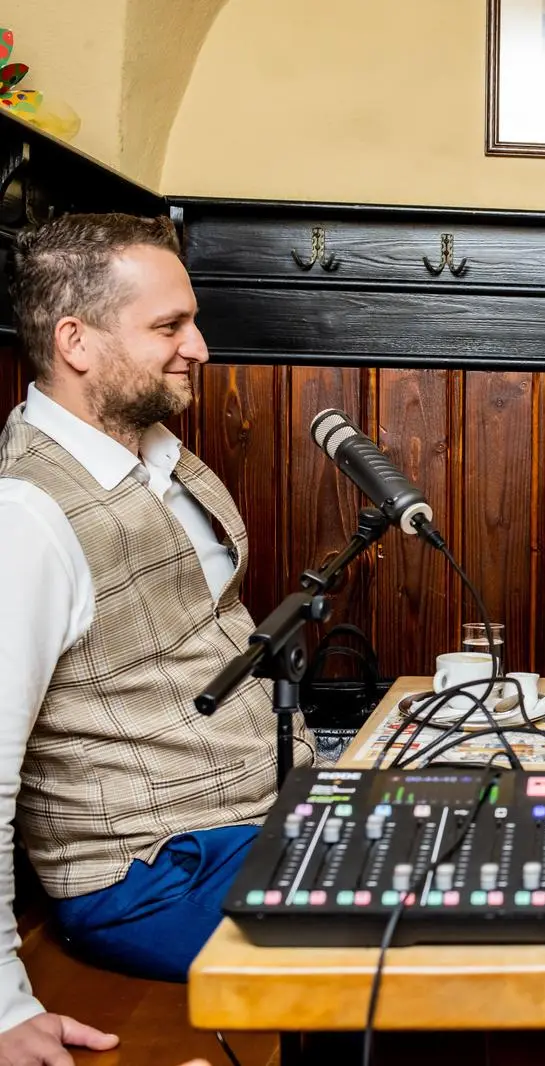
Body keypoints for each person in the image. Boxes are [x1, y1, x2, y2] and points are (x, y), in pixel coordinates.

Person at [0, 214, 312, 1064]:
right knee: (399, 947)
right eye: (169, 326)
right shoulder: (25, 514)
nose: (200, 348)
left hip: (257, 822)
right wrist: (1, 1006)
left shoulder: (163, 457)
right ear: (77, 341)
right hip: (148, 872)